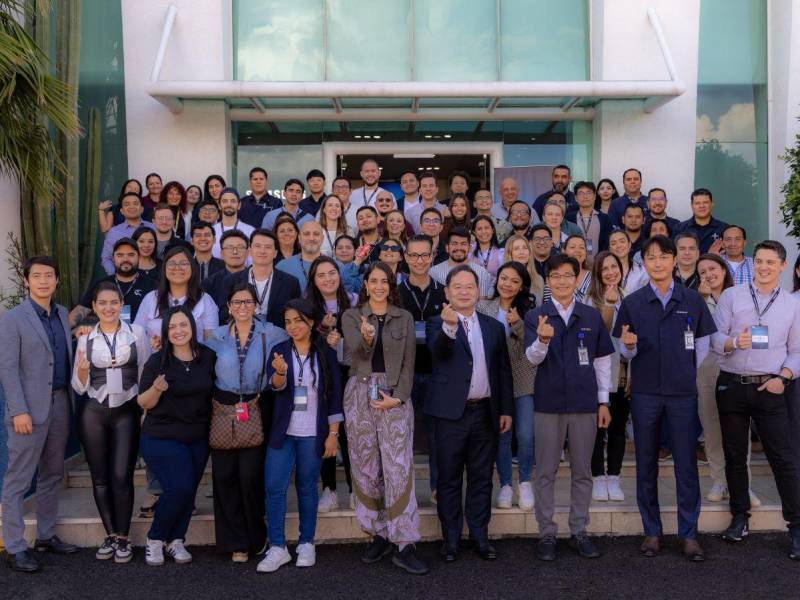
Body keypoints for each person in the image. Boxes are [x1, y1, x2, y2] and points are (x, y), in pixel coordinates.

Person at [613, 235, 716, 561]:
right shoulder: (633, 301)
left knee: (686, 464)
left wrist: (683, 371)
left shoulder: (692, 299)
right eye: (651, 258)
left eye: (663, 256)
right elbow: (624, 349)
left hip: (682, 394)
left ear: (674, 261)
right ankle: (652, 532)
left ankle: (688, 534)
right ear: (644, 262)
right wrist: (628, 346)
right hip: (645, 394)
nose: (657, 262)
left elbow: (702, 345)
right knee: (646, 463)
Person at [710, 240, 800, 559]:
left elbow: (796, 351)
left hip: (770, 388)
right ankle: (739, 518)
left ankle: (796, 527)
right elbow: (714, 337)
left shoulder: (792, 304)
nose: (763, 268)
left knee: (783, 457)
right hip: (732, 386)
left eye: (770, 263)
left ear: (782, 266)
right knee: (735, 455)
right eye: (759, 261)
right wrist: (734, 341)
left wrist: (783, 378)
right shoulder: (733, 295)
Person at [341, 262, 427, 574]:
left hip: (394, 394)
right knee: (365, 465)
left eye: (384, 281)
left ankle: (404, 541)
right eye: (373, 281)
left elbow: (409, 363)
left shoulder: (403, 317)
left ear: (391, 286)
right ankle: (377, 533)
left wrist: (399, 397)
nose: (378, 286)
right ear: (365, 284)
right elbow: (358, 355)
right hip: (360, 393)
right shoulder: (351, 316)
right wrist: (366, 337)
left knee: (398, 466)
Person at [525, 254, 613, 561]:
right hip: (548, 404)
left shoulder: (591, 316)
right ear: (548, 280)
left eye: (567, 276)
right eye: (556, 276)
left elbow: (602, 362)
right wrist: (542, 340)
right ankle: (546, 533)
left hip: (585, 403)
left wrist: (604, 401)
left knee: (582, 471)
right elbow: (532, 359)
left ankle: (579, 531)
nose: (562, 281)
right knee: (546, 471)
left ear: (577, 279)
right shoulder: (537, 315)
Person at [426, 265, 513, 562]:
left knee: (481, 478)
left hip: (485, 413)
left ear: (478, 291)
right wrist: (450, 328)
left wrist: (505, 410)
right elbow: (439, 353)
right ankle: (450, 540)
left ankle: (480, 536)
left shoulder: (493, 326)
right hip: (450, 415)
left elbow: (502, 371)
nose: (464, 291)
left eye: (469, 286)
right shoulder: (436, 322)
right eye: (457, 287)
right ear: (448, 292)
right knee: (449, 479)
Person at [0, 256, 77, 573]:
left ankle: (45, 535)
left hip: (60, 403)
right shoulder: (12, 318)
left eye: (49, 275)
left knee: (51, 474)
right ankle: (15, 546)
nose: (44, 280)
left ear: (57, 280)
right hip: (27, 411)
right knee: (18, 479)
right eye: (37, 275)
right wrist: (18, 410)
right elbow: (7, 369)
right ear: (27, 280)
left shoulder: (61, 314)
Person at [204, 282, 288, 563]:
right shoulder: (214, 337)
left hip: (256, 404)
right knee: (225, 476)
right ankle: (235, 541)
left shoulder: (273, 333)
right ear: (228, 307)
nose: (243, 307)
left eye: (248, 302)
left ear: (256, 305)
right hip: (223, 407)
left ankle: (256, 535)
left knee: (250, 476)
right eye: (237, 302)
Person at [258, 299, 344, 572]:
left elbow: (334, 397)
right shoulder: (279, 350)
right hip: (283, 433)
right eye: (288, 322)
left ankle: (307, 542)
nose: (292, 326)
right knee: (274, 487)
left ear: (310, 321)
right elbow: (275, 386)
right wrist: (280, 374)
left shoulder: (326, 353)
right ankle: (277, 547)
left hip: (313, 433)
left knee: (307, 488)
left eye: (298, 320)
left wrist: (333, 434)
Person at [72, 282, 149, 563]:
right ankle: (111, 534)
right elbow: (78, 388)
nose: (108, 308)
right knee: (101, 477)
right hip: (94, 411)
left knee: (121, 475)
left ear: (121, 305)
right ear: (94, 306)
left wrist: (144, 410)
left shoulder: (137, 333)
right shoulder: (85, 339)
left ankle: (124, 537)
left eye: (113, 302)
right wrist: (81, 371)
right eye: (102, 303)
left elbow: (144, 373)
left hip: (127, 409)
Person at [137, 306, 216, 566]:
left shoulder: (207, 357)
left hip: (197, 435)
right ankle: (155, 538)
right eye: (172, 327)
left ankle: (176, 540)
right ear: (165, 332)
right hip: (162, 436)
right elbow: (143, 402)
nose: (179, 331)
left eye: (183, 325)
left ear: (192, 327)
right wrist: (157, 390)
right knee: (179, 487)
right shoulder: (157, 361)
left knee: (188, 491)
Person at [477, 262, 536, 511]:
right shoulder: (483, 307)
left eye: (514, 280)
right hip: (495, 381)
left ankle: (524, 482)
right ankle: (505, 485)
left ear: (522, 286)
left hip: (523, 378)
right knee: (502, 434)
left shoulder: (530, 310)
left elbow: (535, 347)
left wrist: (517, 324)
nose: (507, 284)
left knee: (525, 434)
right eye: (504, 278)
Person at [305, 256, 358, 512]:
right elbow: (301, 341)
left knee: (350, 434)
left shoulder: (354, 301)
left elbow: (362, 340)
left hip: (349, 374)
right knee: (326, 432)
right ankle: (329, 489)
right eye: (321, 275)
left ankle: (355, 489)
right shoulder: (308, 307)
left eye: (332, 273)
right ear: (314, 281)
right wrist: (321, 332)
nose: (328, 278)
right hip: (321, 376)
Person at [399, 235, 447, 504]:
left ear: (432, 257)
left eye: (424, 255)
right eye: (414, 255)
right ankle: (403, 492)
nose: (419, 260)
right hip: (404, 374)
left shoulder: (443, 291)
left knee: (436, 435)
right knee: (402, 435)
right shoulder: (397, 292)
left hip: (436, 373)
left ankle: (438, 488)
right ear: (406, 257)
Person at [585, 251, 628, 502]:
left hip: (623, 371)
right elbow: (602, 333)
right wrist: (609, 304)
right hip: (599, 374)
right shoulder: (592, 300)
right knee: (598, 430)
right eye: (605, 268)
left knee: (619, 428)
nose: (611, 272)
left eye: (615, 266)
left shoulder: (628, 297)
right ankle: (598, 478)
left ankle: (614, 477)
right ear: (598, 274)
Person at [695, 253, 737, 504]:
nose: (709, 274)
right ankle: (719, 481)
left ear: (723, 269)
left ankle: (741, 484)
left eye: (713, 268)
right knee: (711, 429)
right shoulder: (696, 299)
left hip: (738, 368)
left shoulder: (742, 295)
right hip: (707, 368)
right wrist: (701, 299)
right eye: (703, 272)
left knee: (737, 431)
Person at [134, 246, 220, 347]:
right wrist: (151, 342)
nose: (177, 268)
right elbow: (137, 334)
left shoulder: (205, 300)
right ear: (164, 269)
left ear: (192, 268)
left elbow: (211, 344)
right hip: (156, 359)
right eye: (171, 264)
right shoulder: (151, 298)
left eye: (183, 263)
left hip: (195, 360)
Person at [70, 238, 157, 328]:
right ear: (113, 258)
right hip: (106, 338)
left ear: (138, 257)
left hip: (140, 338)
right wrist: (65, 331)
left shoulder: (152, 286)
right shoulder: (101, 285)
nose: (125, 259)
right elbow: (81, 310)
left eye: (131, 255)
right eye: (120, 255)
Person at [222, 229, 302, 327]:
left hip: (278, 338)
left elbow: (295, 315)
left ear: (275, 253)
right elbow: (224, 315)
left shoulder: (290, 283)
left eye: (268, 247)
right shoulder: (230, 281)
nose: (262, 251)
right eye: (257, 246)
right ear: (250, 251)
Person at [430, 227, 495, 299]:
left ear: (470, 248)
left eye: (463, 244)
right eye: (454, 243)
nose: (459, 248)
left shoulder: (481, 273)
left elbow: (482, 304)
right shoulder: (434, 272)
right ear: (447, 248)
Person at [101, 192, 155, 275]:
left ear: (142, 209)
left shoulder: (153, 228)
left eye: (135, 203)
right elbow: (106, 258)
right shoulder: (114, 232)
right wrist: (116, 276)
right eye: (127, 204)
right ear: (122, 211)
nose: (131, 207)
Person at [202, 230, 250, 310]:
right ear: (221, 253)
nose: (235, 252)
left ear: (247, 252)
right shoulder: (209, 284)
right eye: (230, 248)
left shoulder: (255, 279)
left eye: (240, 247)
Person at [675, 188, 729, 253]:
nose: (701, 206)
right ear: (692, 206)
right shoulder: (680, 228)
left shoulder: (724, 228)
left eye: (705, 202)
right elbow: (673, 253)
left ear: (712, 204)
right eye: (697, 203)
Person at [568, 181, 612, 257]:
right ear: (576, 198)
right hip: (574, 263)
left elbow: (607, 243)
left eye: (588, 193)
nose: (585, 196)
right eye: (581, 193)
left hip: (598, 264)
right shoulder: (568, 218)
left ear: (595, 196)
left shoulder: (604, 218)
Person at [212, 188, 255, 258]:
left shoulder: (250, 231)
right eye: (225, 201)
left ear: (239, 205)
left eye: (233, 201)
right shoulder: (211, 231)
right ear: (219, 205)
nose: (229, 204)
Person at [504, 233, 545, 306]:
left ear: (529, 252)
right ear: (510, 253)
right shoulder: (502, 279)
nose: (521, 252)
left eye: (525, 248)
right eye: (516, 249)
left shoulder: (539, 280)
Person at [608, 230, 649, 295]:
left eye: (622, 241)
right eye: (613, 243)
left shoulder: (642, 271)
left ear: (629, 245)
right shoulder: (605, 272)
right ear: (609, 249)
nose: (618, 246)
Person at [563, 235, 592, 302]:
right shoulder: (555, 276)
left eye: (581, 247)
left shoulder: (595, 277)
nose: (577, 250)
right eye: (572, 247)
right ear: (564, 251)